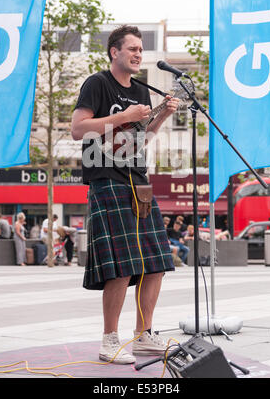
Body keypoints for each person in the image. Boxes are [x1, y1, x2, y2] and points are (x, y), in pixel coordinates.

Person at [71, 25, 179, 364]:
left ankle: (144, 336)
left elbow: (139, 140)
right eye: (131, 48)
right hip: (107, 179)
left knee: (157, 262)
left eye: (140, 49)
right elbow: (77, 129)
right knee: (120, 267)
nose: (137, 54)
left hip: (138, 180)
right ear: (114, 52)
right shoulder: (98, 83)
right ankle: (109, 341)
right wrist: (124, 115)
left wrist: (159, 116)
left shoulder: (142, 91)